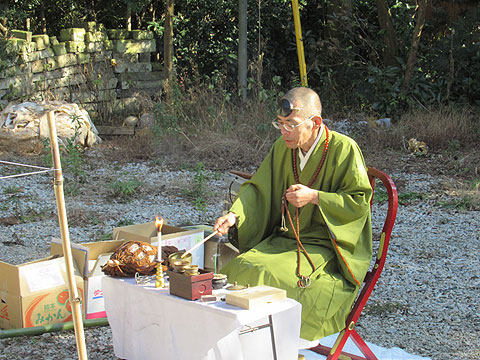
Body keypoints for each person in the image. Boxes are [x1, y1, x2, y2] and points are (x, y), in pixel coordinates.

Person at [213, 87, 373, 341]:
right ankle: (252, 341)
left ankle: (283, 342)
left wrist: (315, 196)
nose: (285, 132)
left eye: (292, 125)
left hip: (327, 243)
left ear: (316, 122)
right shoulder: (282, 147)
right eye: (280, 124)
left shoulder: (345, 149)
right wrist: (234, 216)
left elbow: (358, 201)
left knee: (291, 281)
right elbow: (259, 188)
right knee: (243, 266)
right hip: (287, 238)